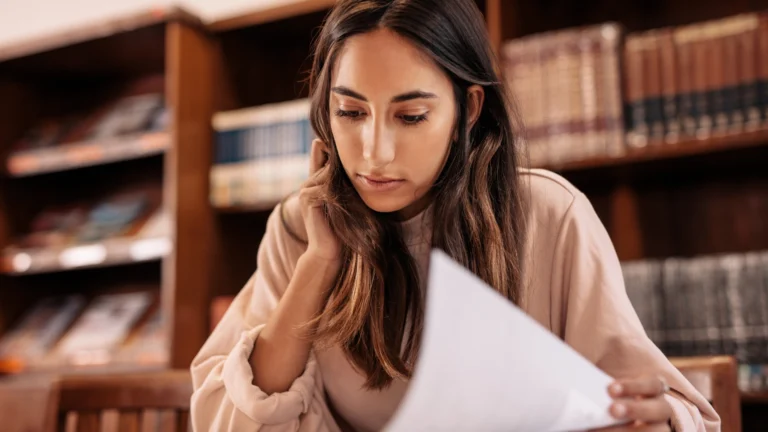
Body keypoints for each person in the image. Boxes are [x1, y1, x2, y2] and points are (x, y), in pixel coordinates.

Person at [190, 0, 720, 430]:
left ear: (467, 110)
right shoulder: (300, 228)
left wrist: (646, 420)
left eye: (412, 116)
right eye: (349, 112)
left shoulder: (549, 216)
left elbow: (668, 410)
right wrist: (319, 263)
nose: (374, 153)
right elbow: (226, 420)